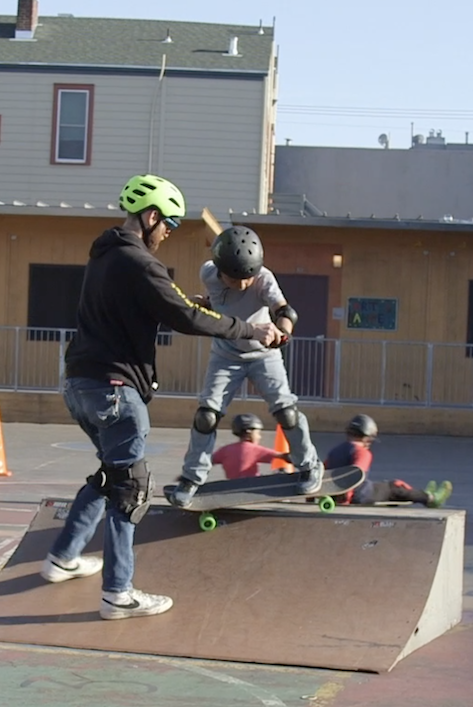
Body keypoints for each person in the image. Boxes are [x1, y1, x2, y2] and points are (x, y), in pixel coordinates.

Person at [39, 174, 284, 621]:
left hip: (80, 385)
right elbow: (187, 318)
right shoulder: (139, 262)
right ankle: (119, 594)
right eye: (168, 222)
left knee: (113, 474)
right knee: (130, 490)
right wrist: (253, 329)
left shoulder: (105, 255)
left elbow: (166, 306)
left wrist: (181, 303)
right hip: (116, 391)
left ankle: (63, 557)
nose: (169, 231)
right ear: (150, 216)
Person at [169, 225, 323, 508]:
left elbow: (285, 311)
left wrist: (283, 332)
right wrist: (203, 303)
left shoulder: (264, 279)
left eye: (247, 278)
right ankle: (192, 478)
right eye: (234, 278)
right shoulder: (208, 273)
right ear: (219, 268)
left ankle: (309, 465)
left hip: (264, 355)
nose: (242, 284)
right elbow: (219, 304)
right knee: (207, 416)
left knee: (286, 413)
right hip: (225, 355)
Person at [324, 414, 453, 507]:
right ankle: (432, 498)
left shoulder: (334, 451)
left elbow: (323, 473)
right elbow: (355, 474)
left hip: (335, 494)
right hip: (358, 496)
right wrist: (346, 498)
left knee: (383, 487)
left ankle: (422, 493)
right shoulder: (362, 452)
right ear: (367, 437)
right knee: (395, 486)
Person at [210, 413, 288, 480]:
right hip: (252, 485)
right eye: (258, 433)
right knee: (281, 473)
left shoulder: (225, 450)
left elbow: (209, 460)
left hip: (231, 485)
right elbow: (282, 456)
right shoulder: (253, 449)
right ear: (248, 433)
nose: (259, 437)